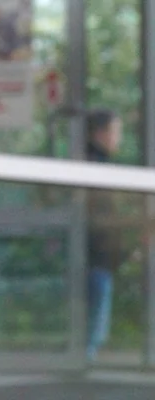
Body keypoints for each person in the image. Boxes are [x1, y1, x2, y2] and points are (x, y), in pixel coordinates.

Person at [85, 108, 125, 362]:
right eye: (116, 132)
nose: (119, 139)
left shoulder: (97, 164)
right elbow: (99, 215)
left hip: (97, 257)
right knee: (93, 323)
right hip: (94, 256)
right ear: (101, 133)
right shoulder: (95, 167)